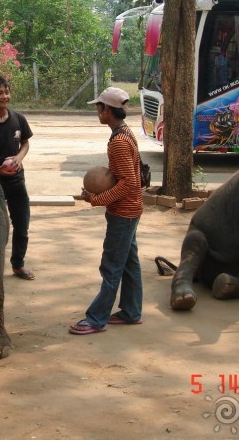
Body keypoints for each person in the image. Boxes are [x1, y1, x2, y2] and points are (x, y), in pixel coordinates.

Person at [70, 86, 143, 334]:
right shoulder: (124, 133)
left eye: (99, 107)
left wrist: (96, 198)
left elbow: (130, 182)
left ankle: (96, 318)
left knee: (111, 266)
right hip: (131, 209)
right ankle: (132, 311)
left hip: (123, 212)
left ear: (108, 110)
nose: (97, 112)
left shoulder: (119, 142)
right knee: (129, 264)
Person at [0, 75, 35, 280]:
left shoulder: (18, 119)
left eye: (7, 91)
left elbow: (26, 142)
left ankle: (18, 266)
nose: (5, 96)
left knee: (22, 226)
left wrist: (19, 158)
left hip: (17, 184)